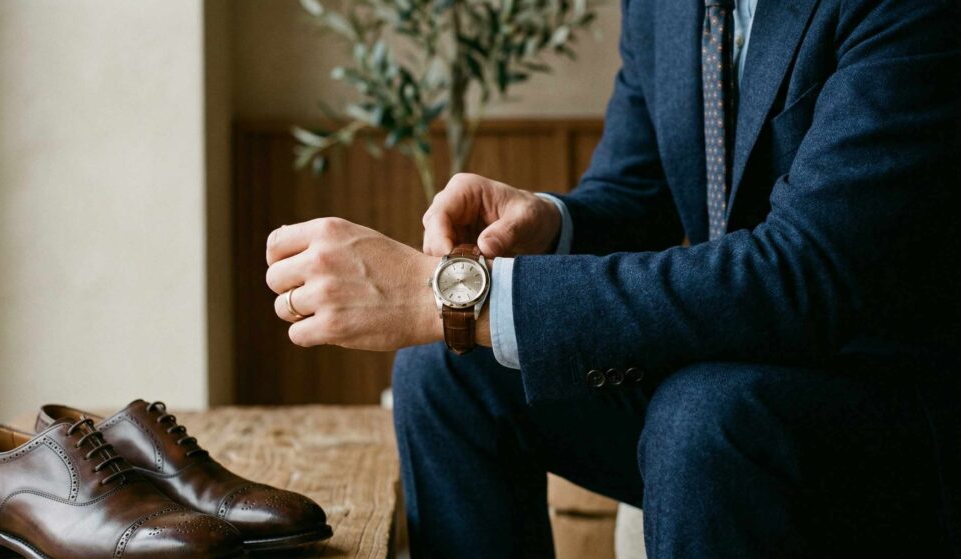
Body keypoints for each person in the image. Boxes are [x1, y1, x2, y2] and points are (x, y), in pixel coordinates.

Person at [265, 0, 961, 556]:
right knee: (443, 367)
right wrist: (550, 218)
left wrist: (450, 296)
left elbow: (805, 273)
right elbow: (636, 195)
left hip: (893, 406)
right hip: (738, 370)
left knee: (704, 415)